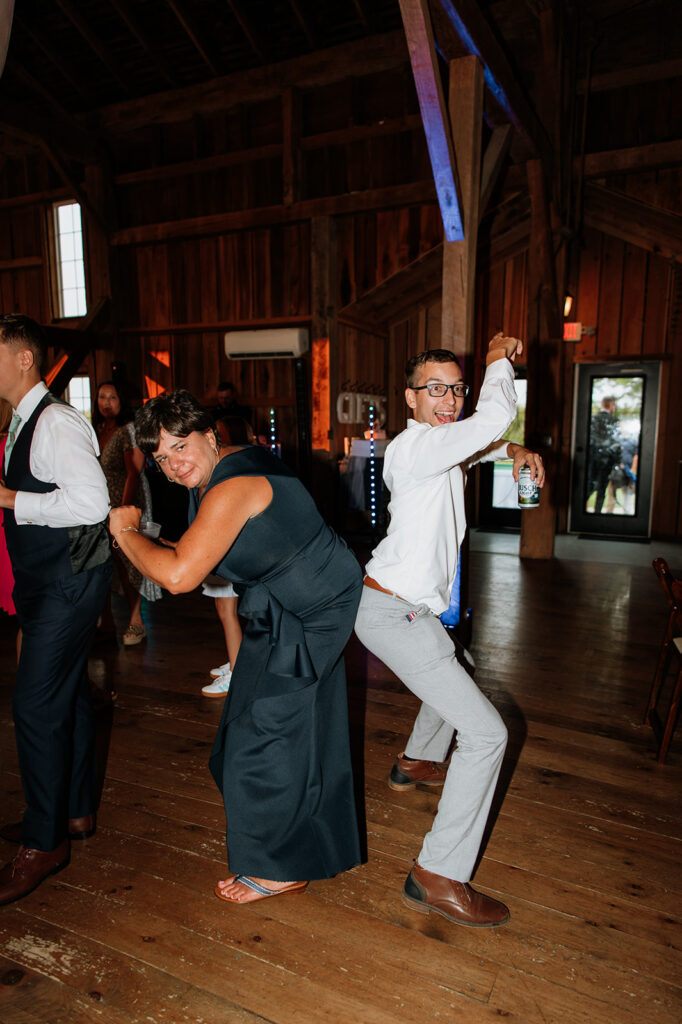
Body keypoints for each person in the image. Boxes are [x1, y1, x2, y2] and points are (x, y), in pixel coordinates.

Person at [108, 389, 362, 904]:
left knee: (265, 736)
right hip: (280, 605)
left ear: (209, 434)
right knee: (248, 727)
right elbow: (201, 549)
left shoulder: (231, 487)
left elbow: (179, 577)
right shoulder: (218, 469)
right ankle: (301, 838)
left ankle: (282, 866)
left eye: (180, 446)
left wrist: (127, 533)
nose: (173, 465)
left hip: (312, 609)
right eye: (160, 458)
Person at [354, 333, 545, 928]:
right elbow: (491, 417)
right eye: (435, 388)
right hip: (393, 612)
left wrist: (512, 450)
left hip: (409, 610)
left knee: (453, 666)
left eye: (457, 388)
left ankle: (414, 762)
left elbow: (480, 445)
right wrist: (495, 364)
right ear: (410, 399)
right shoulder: (413, 450)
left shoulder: (440, 449)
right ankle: (437, 875)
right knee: (488, 735)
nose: (450, 398)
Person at [0, 313, 112, 906]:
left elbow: (91, 503)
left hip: (67, 584)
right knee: (64, 696)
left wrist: (8, 498)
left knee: (34, 704)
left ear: (23, 358)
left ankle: (44, 843)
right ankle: (72, 814)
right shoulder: (24, 421)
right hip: (51, 582)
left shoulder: (57, 421)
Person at [93, 380, 161, 645]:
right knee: (102, 562)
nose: (106, 402)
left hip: (125, 501)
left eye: (112, 397)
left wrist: (122, 509)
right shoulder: (98, 429)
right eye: (102, 397)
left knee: (128, 562)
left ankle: (136, 621)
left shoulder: (127, 429)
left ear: (121, 401)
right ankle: (106, 621)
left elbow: (134, 471)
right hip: (100, 503)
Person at [587, 396, 622, 515]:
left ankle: (582, 512)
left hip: (592, 459)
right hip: (607, 460)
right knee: (602, 489)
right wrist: (618, 461)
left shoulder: (592, 419)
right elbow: (617, 443)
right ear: (611, 405)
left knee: (590, 485)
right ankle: (597, 514)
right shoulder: (614, 421)